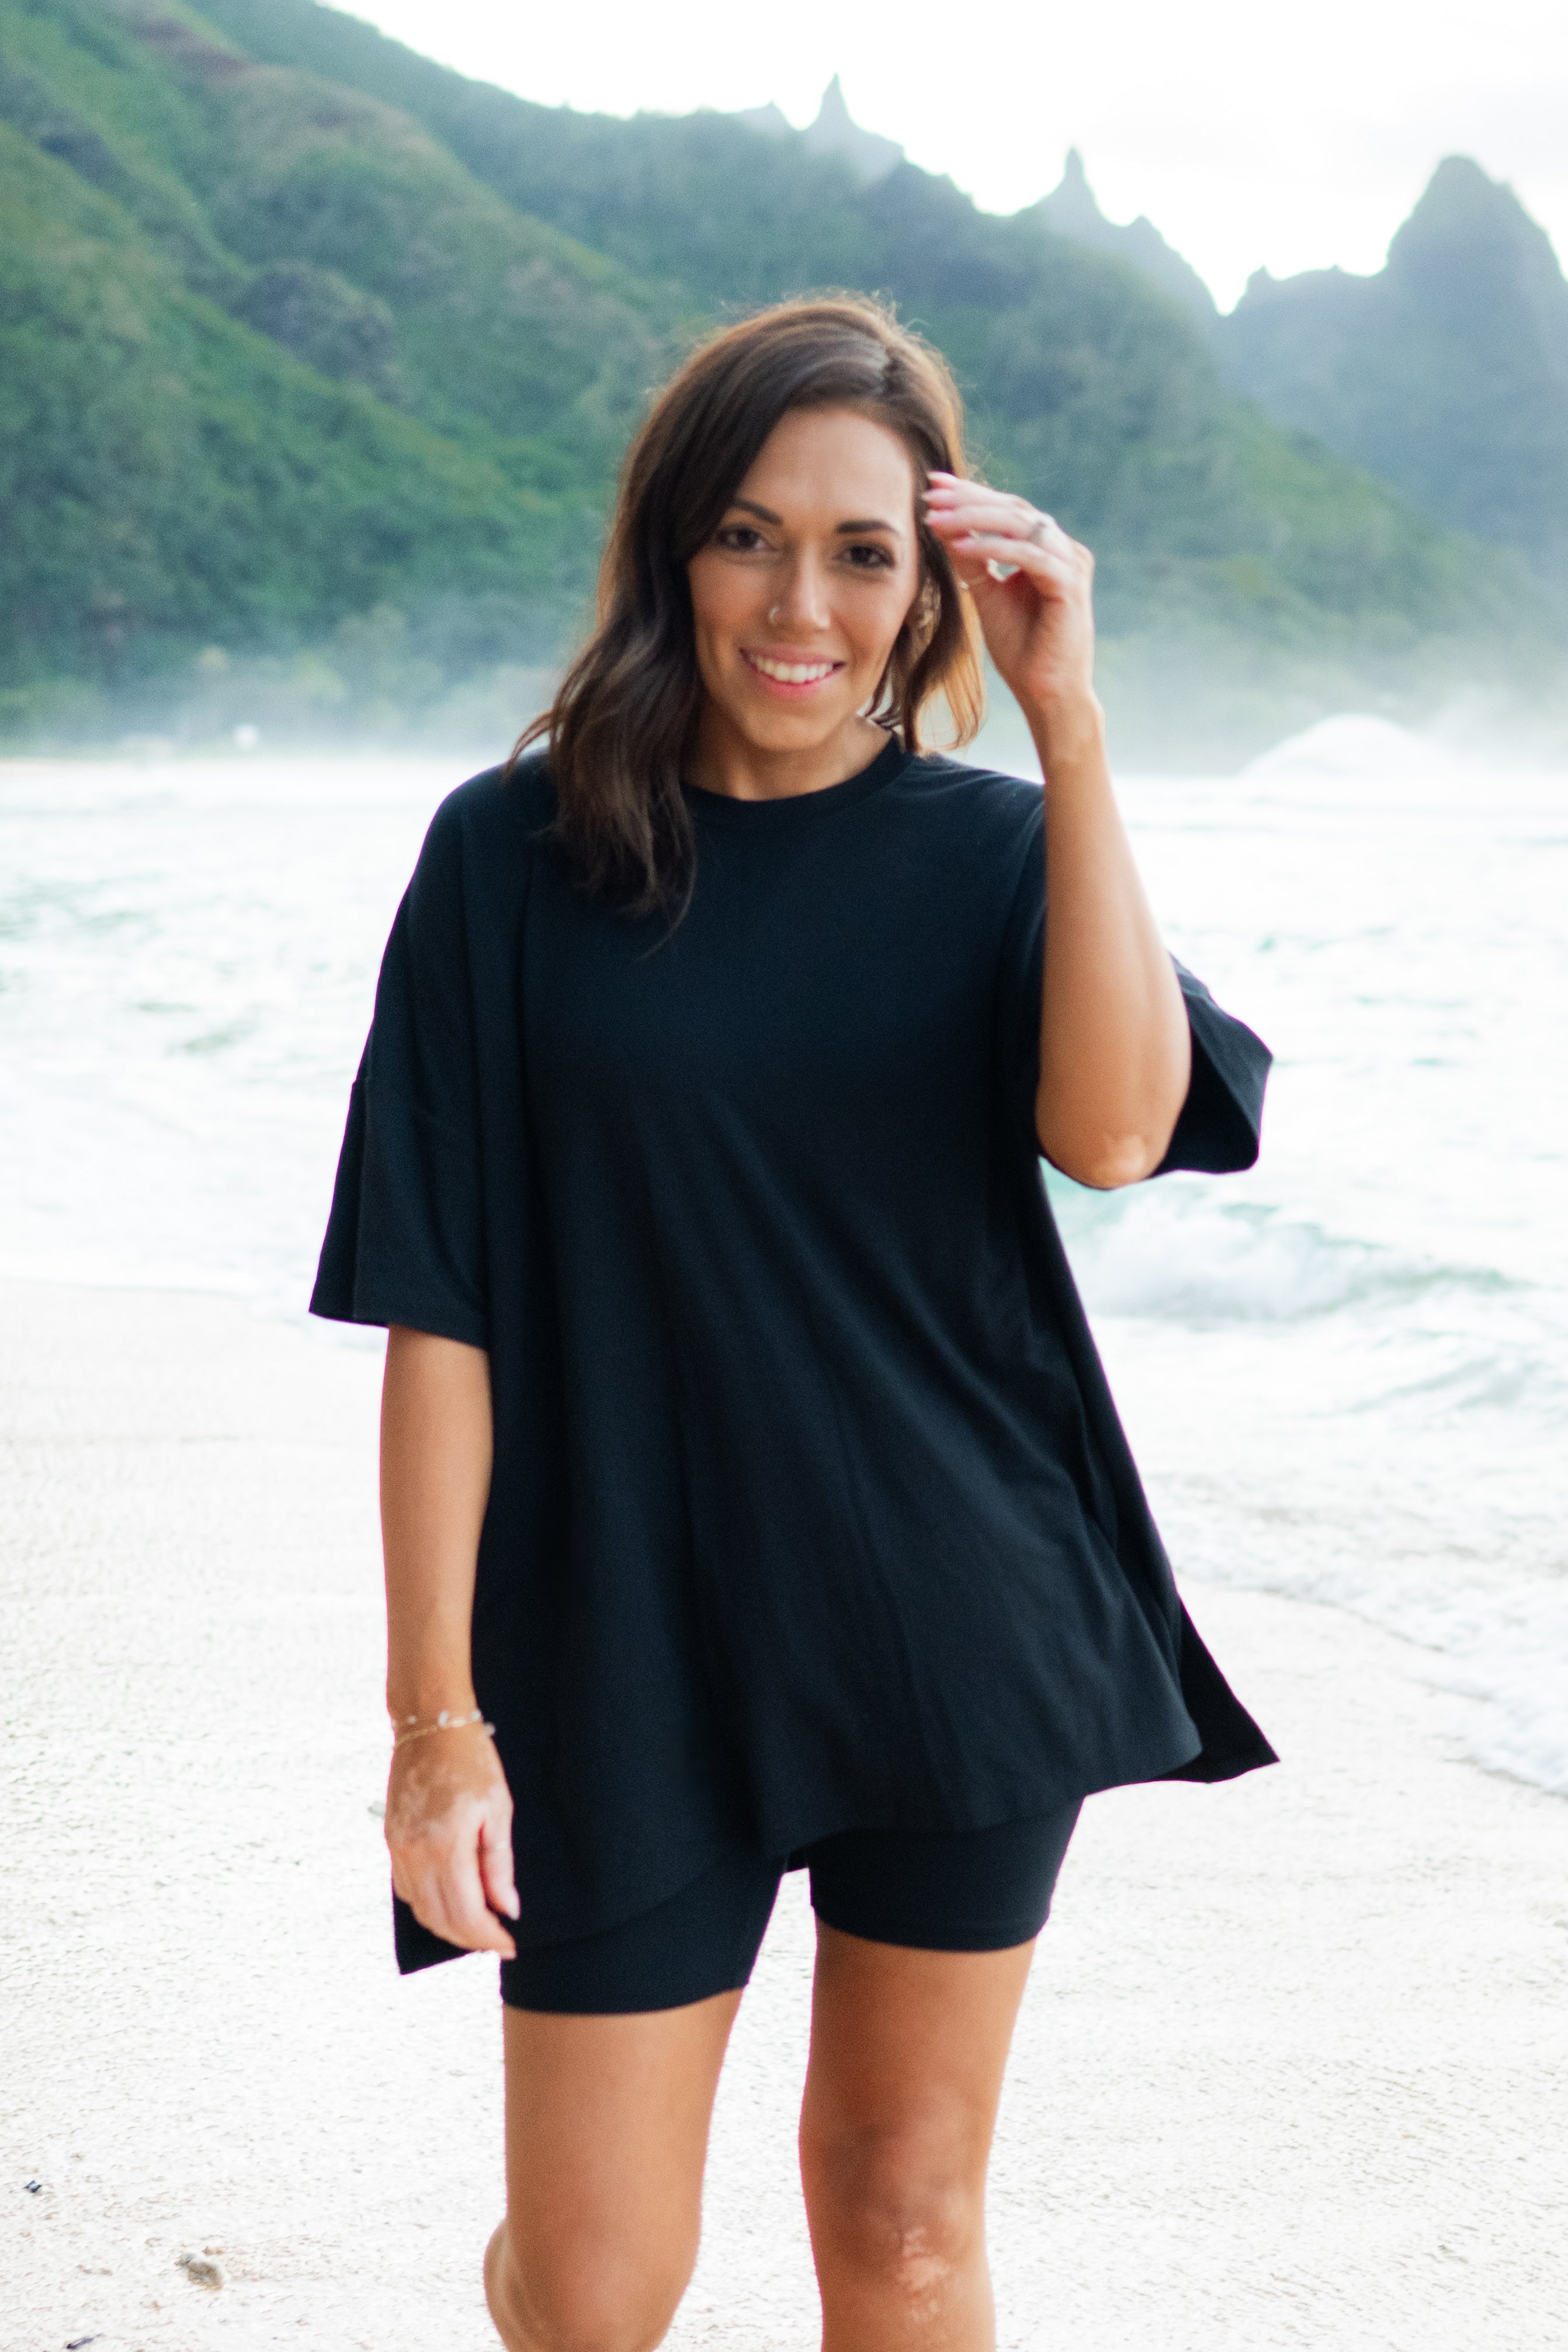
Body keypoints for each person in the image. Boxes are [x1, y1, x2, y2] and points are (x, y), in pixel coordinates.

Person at [312, 294, 1275, 2352]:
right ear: (673, 543)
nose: (798, 603)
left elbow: (1111, 1130)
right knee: (590, 2287)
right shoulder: (509, 857)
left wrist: (1068, 725)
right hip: (618, 1636)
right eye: (749, 534)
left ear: (932, 582)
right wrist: (429, 1725)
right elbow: (439, 1306)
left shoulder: (1002, 849)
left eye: (862, 552)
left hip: (948, 1611)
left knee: (906, 2228)